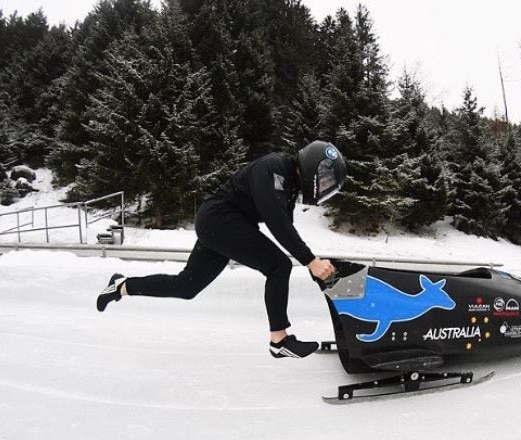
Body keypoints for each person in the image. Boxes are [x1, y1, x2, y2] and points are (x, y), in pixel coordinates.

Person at [96, 140, 347, 359]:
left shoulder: (288, 185)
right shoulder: (273, 167)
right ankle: (279, 340)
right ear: (314, 168)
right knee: (277, 265)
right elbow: (275, 220)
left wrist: (312, 263)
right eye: (325, 180)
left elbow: (285, 228)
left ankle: (121, 286)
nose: (324, 187)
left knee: (187, 287)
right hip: (219, 219)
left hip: (222, 224)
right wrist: (309, 260)